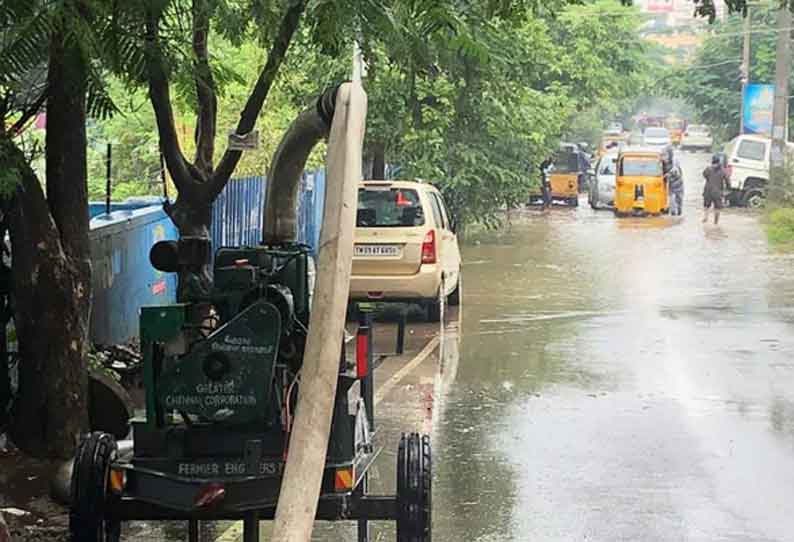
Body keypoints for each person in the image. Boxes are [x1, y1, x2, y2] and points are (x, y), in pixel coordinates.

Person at [702, 154, 729, 224]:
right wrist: (728, 189)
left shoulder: (708, 169)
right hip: (717, 192)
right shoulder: (723, 170)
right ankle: (715, 222)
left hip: (708, 191)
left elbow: (704, 175)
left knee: (706, 206)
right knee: (717, 208)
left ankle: (705, 218)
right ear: (719, 161)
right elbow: (727, 181)